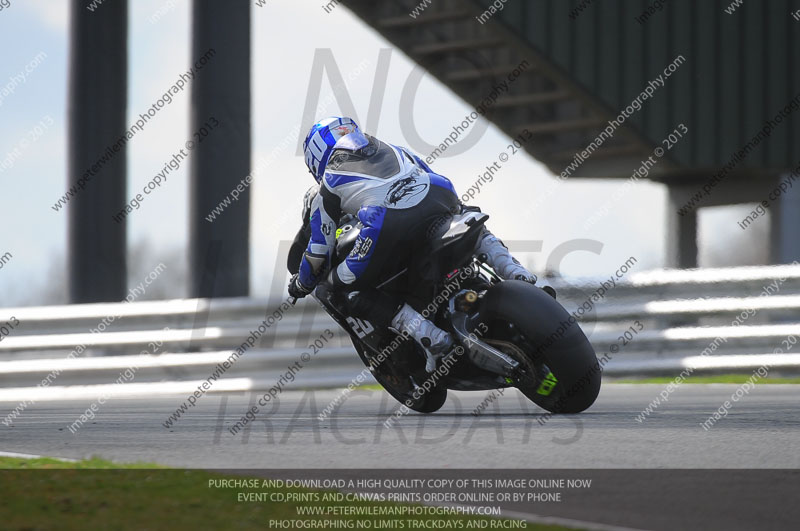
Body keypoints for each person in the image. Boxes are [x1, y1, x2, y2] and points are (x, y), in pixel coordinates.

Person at [288, 116, 536, 372]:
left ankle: (429, 336)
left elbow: (318, 254)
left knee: (339, 289)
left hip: (388, 223)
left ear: (316, 156)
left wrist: (300, 285)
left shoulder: (328, 183)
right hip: (439, 193)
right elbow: (429, 174)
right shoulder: (393, 148)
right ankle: (514, 270)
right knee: (467, 217)